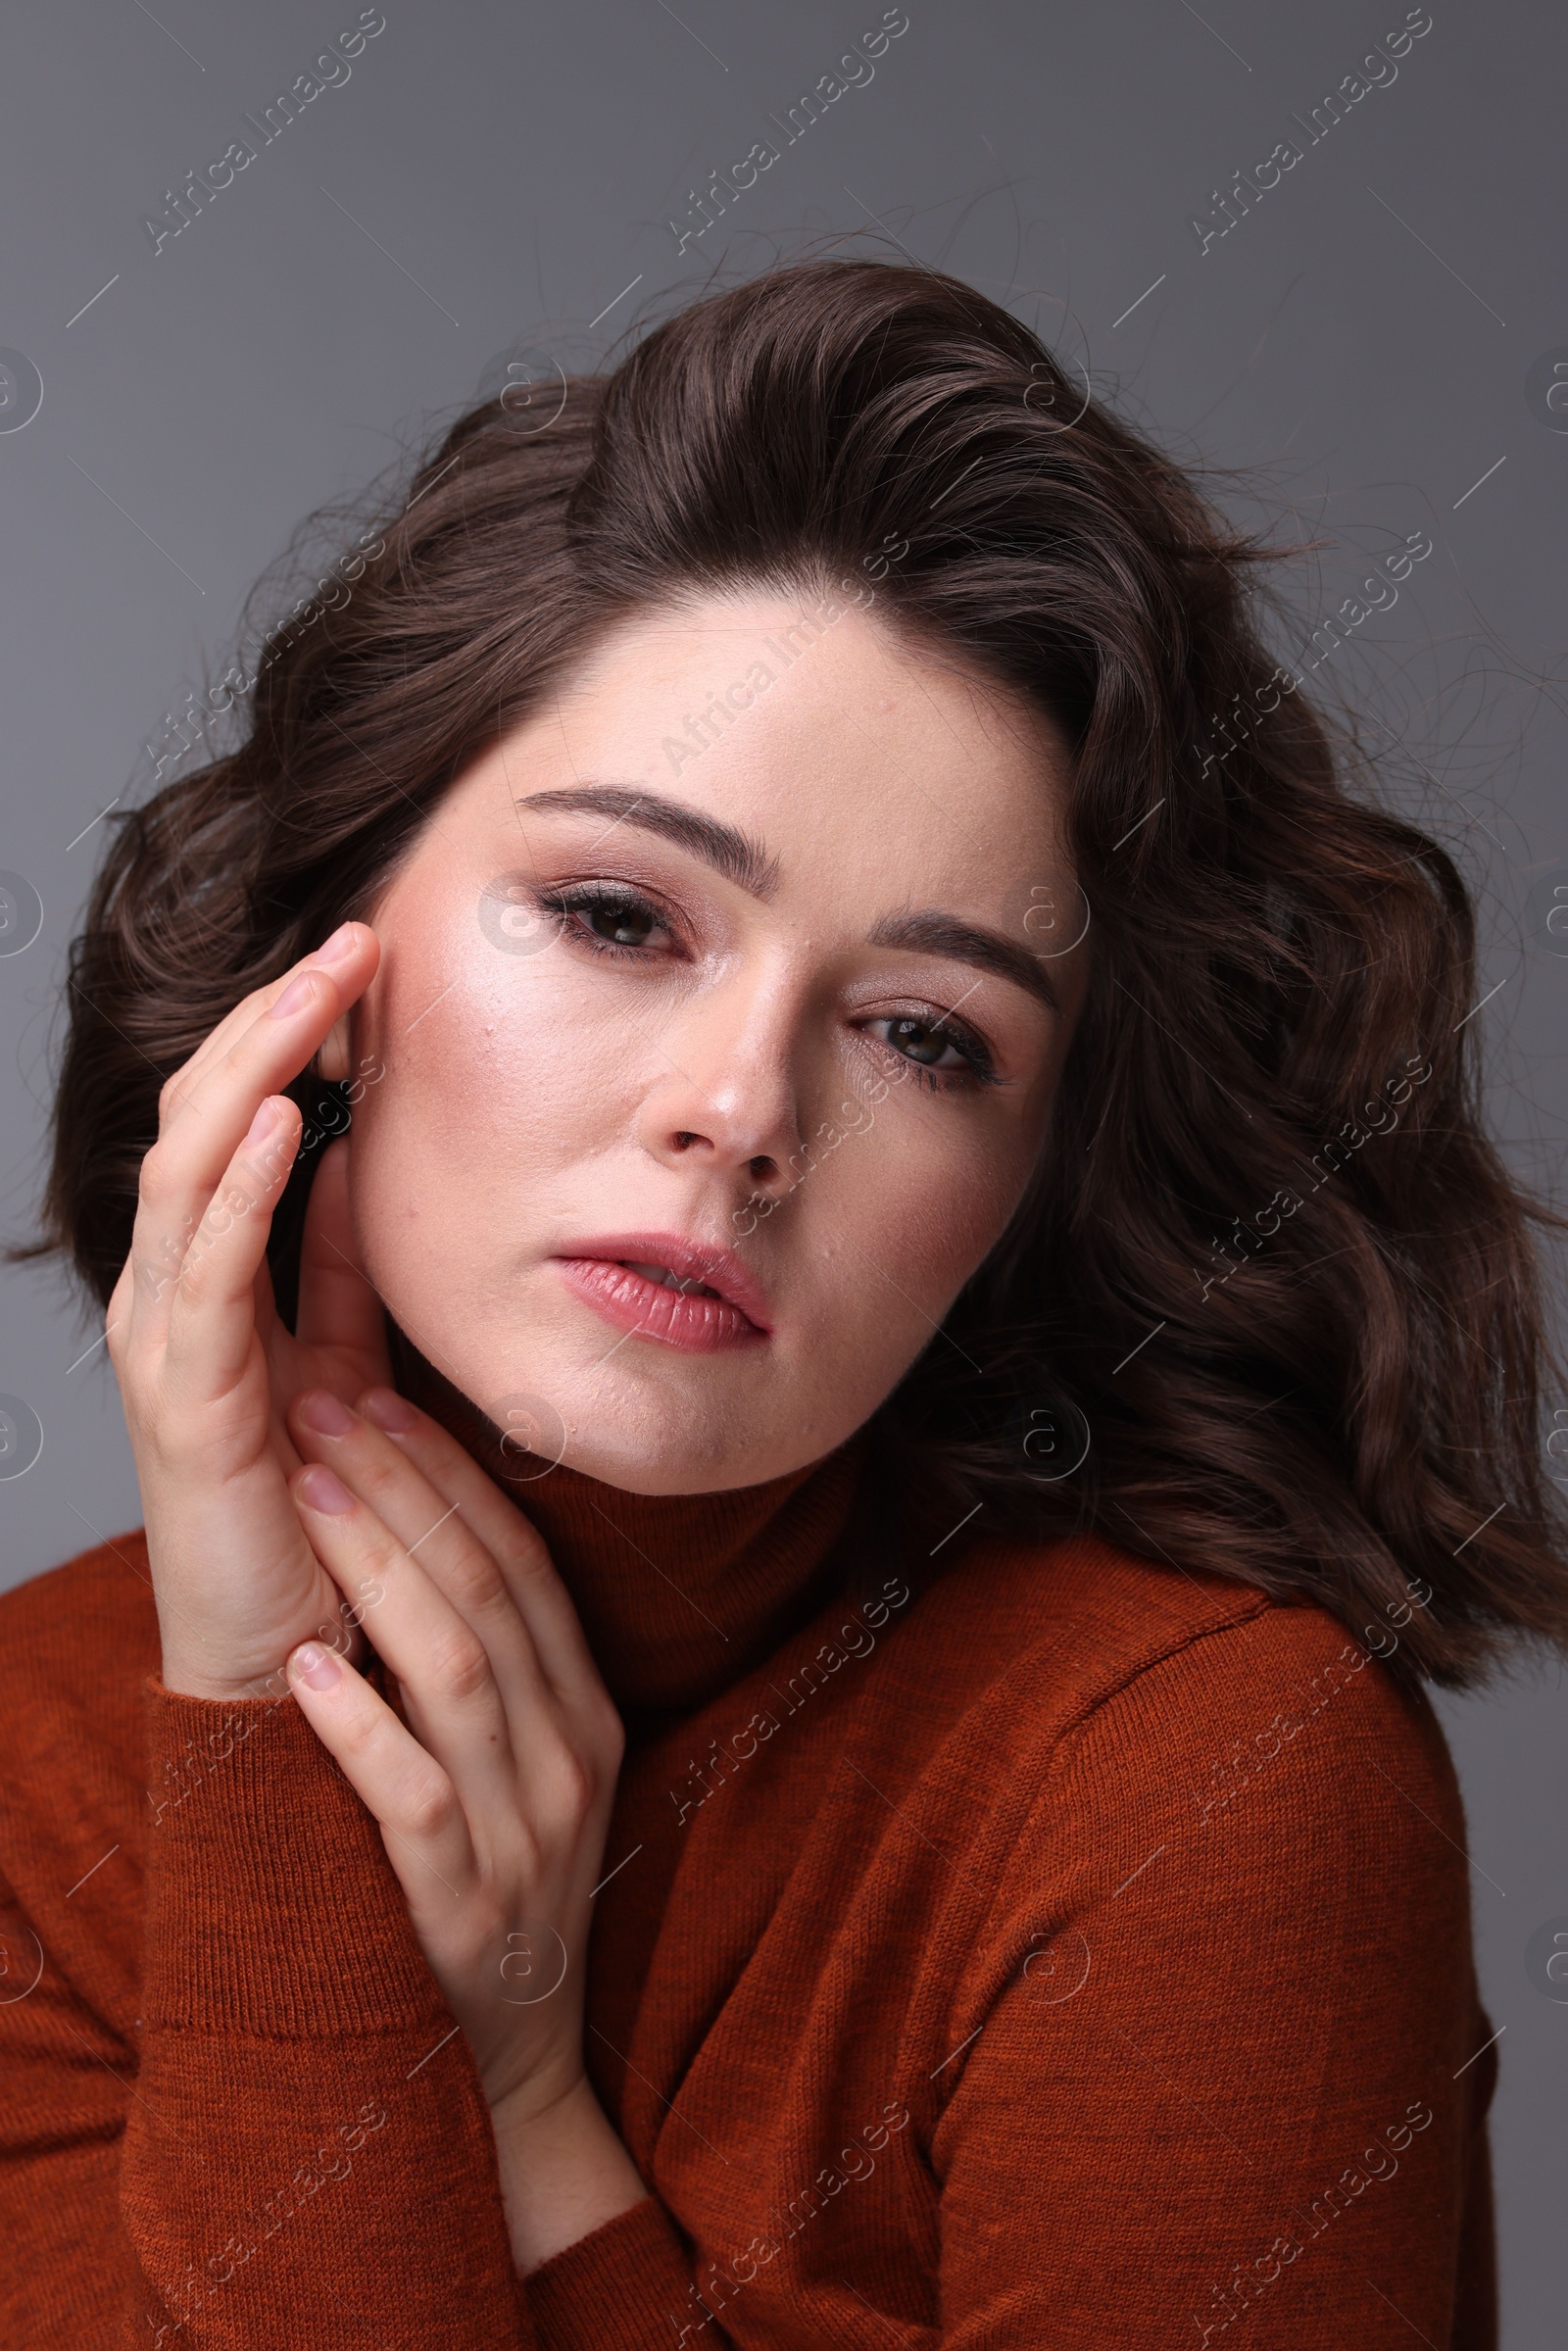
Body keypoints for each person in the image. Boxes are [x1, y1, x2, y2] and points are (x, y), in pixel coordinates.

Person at [0, 259, 1559, 2347]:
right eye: (620, 914)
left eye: (925, 1035)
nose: (738, 1115)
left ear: (1024, 1178)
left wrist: (532, 2117)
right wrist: (269, 1771)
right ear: (330, 951)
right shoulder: (40, 1755)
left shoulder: (1197, 1787)